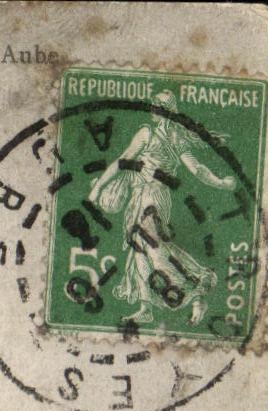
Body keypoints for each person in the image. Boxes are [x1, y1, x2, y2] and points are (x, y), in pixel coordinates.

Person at [87, 91, 238, 327]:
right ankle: (146, 307)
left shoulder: (153, 134)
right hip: (142, 195)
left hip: (153, 197)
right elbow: (125, 161)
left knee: (150, 245)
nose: (152, 109)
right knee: (140, 249)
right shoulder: (168, 136)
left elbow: (194, 168)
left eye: (156, 106)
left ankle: (197, 288)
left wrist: (220, 183)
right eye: (152, 105)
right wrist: (220, 182)